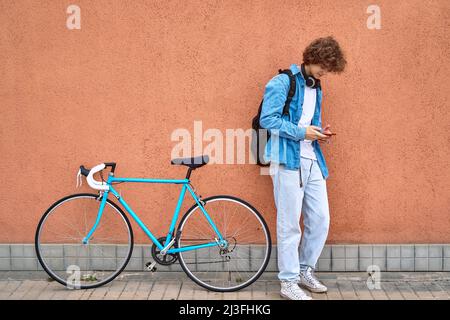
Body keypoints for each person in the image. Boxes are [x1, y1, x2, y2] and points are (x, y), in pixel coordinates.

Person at [260, 36, 346, 300]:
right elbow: (268, 120)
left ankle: (304, 270)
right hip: (287, 160)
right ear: (311, 57)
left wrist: (318, 132)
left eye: (329, 68)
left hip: (312, 160)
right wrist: (301, 132)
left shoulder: (316, 88)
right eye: (323, 65)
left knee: (320, 219)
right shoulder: (282, 82)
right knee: (289, 224)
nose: (325, 71)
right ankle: (288, 281)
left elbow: (308, 123)